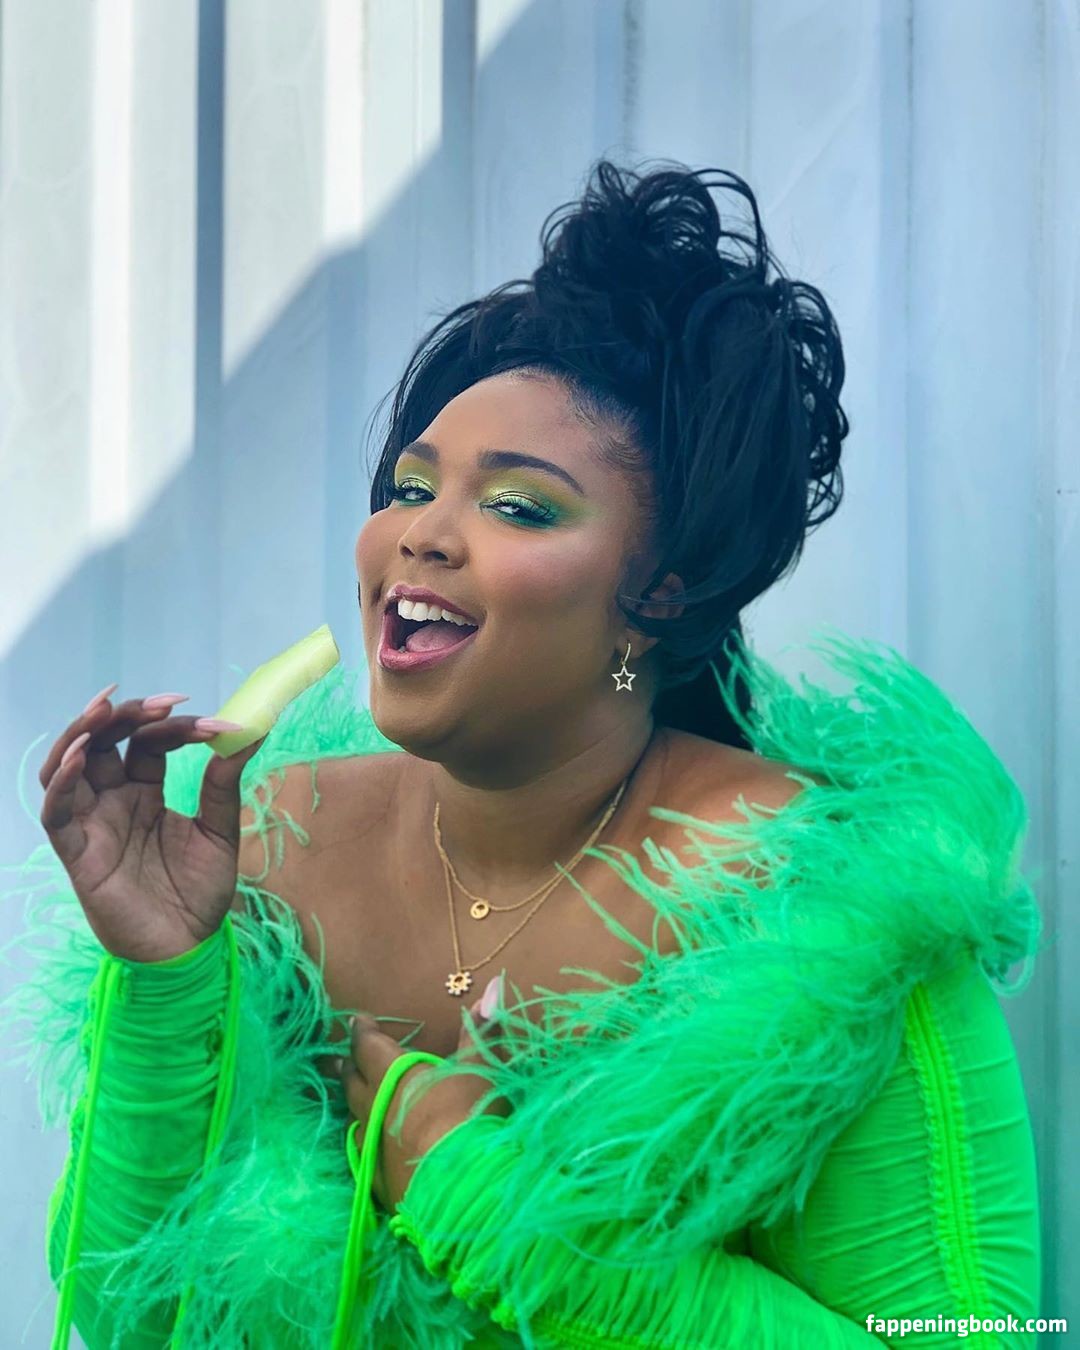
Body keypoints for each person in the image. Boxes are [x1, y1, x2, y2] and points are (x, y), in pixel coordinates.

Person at [4, 160, 1042, 1348]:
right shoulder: (268, 852)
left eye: (517, 507)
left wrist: (493, 1210)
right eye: (410, 486)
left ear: (659, 593)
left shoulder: (827, 918)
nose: (422, 534)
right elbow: (123, 1314)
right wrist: (164, 982)